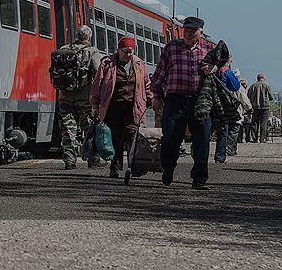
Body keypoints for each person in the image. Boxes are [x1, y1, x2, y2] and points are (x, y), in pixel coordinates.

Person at [150, 16, 216, 190]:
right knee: (170, 139)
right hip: (175, 101)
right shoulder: (171, 48)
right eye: (185, 30)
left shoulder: (209, 49)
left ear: (200, 32)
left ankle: (199, 179)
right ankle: (168, 168)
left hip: (200, 102)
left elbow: (223, 71)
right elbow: (158, 75)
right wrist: (156, 97)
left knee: (202, 141)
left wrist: (214, 68)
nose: (187, 34)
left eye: (192, 31)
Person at [90, 37, 151, 178]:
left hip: (133, 107)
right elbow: (97, 84)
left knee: (133, 135)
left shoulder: (139, 63)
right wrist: (95, 104)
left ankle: (134, 165)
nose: (128, 54)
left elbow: (146, 83)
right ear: (118, 50)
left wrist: (151, 99)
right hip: (113, 107)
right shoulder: (107, 63)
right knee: (115, 138)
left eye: (130, 51)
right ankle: (115, 167)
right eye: (125, 51)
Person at [54, 25, 101, 170]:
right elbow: (98, 73)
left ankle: (69, 161)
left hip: (64, 96)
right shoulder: (92, 51)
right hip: (85, 98)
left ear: (76, 36)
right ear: (89, 37)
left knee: (67, 130)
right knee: (89, 128)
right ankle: (92, 160)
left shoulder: (63, 49)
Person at [248, 74, 275, 143]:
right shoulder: (267, 85)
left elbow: (248, 96)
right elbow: (271, 97)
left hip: (255, 107)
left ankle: (254, 139)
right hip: (265, 107)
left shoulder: (253, 86)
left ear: (257, 78)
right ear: (264, 78)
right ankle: (262, 139)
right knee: (263, 123)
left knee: (254, 123)